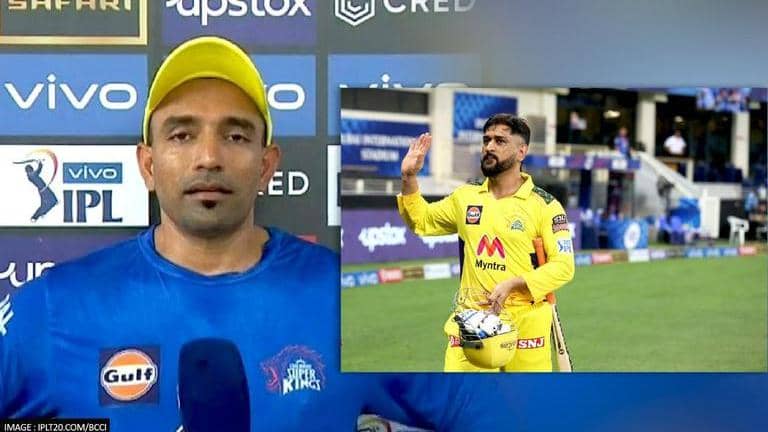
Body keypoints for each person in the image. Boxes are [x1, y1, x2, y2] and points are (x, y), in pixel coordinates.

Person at [0, 36, 515, 430]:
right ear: (148, 165)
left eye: (234, 135)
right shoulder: (53, 306)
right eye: (182, 134)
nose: (208, 157)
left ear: (267, 165)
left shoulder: (347, 302)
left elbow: (493, 412)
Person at [397, 114, 575, 372]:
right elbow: (421, 220)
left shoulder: (545, 206)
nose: (489, 146)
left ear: (521, 151)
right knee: (462, 397)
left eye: (500, 141)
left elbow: (564, 266)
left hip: (526, 325)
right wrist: (409, 177)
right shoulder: (465, 196)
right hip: (473, 319)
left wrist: (515, 283)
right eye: (486, 140)